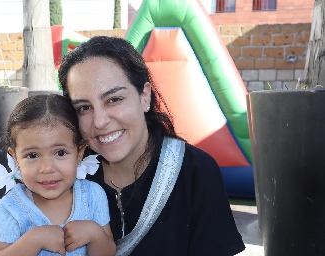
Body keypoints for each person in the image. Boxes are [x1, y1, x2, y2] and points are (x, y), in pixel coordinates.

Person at [58, 36, 246, 255]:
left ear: (144, 96)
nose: (100, 121)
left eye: (114, 99)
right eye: (84, 108)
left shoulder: (194, 171)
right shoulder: (65, 176)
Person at [0, 94, 116, 256]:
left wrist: (95, 234)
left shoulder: (92, 196)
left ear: (79, 153)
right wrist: (33, 240)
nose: (46, 168)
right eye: (32, 155)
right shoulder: (9, 210)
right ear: (16, 159)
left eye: (60, 153)